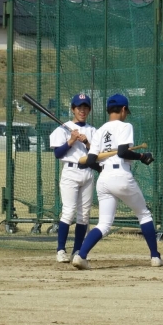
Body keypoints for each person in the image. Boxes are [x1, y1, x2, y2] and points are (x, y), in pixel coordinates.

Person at [71, 94, 163, 270]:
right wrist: (142, 156)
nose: (126, 114)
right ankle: (155, 256)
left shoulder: (99, 131)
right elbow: (122, 152)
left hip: (104, 178)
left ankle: (81, 255)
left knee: (104, 224)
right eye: (126, 111)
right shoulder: (125, 126)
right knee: (144, 214)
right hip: (121, 175)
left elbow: (91, 161)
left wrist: (102, 170)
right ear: (123, 109)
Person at [49, 93, 98, 263]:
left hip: (87, 172)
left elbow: (98, 155)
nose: (82, 111)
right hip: (70, 172)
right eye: (79, 107)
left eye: (85, 107)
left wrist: (87, 143)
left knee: (84, 215)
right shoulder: (63, 129)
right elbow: (57, 153)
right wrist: (71, 140)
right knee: (68, 211)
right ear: (73, 109)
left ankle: (77, 250)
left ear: (89, 110)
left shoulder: (93, 131)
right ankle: (61, 250)